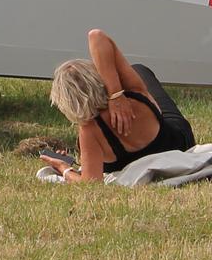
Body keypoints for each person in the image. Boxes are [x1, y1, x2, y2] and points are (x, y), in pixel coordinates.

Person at [44, 29, 196, 182]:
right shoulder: (135, 95)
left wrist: (64, 168)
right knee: (139, 69)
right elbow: (97, 36)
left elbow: (90, 183)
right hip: (180, 145)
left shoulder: (89, 131)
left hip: (151, 157)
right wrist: (116, 94)